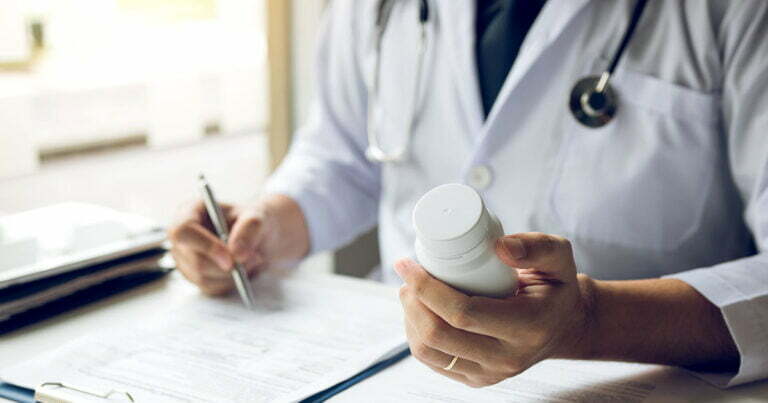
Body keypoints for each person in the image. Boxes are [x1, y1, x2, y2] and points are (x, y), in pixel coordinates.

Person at [168, 0, 768, 389]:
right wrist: (265, 227)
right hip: (392, 372)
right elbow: (343, 155)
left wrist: (590, 321)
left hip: (635, 383)